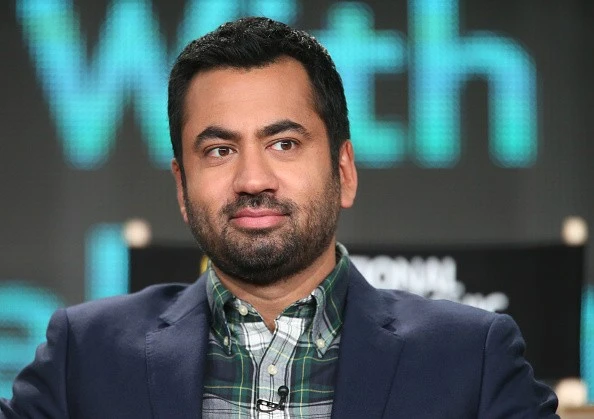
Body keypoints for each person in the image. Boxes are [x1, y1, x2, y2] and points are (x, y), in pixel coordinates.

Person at [1, 17, 558, 419]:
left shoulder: (472, 359)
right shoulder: (84, 355)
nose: (253, 179)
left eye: (284, 144)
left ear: (344, 170)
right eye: (220, 150)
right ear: (181, 186)